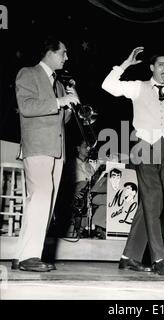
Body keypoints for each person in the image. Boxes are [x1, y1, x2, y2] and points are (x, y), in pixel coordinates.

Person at [102, 47, 164, 276]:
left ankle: (129, 257)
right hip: (144, 148)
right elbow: (108, 86)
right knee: (154, 199)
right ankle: (160, 258)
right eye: (161, 64)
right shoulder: (138, 86)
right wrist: (124, 64)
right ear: (152, 67)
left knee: (149, 204)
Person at [12, 36, 80, 272]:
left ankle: (21, 254)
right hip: (38, 146)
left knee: (42, 203)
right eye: (63, 53)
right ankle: (31, 256)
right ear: (50, 53)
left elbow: (60, 119)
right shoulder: (28, 73)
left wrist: (71, 106)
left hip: (56, 149)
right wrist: (60, 101)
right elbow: (27, 107)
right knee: (40, 199)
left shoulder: (60, 84)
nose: (66, 57)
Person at [69, 140, 107, 239]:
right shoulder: (71, 164)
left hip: (90, 194)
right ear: (78, 149)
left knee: (109, 199)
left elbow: (94, 183)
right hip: (78, 195)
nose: (88, 149)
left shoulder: (90, 166)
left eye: (89, 147)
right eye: (85, 146)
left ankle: (95, 225)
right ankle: (89, 227)